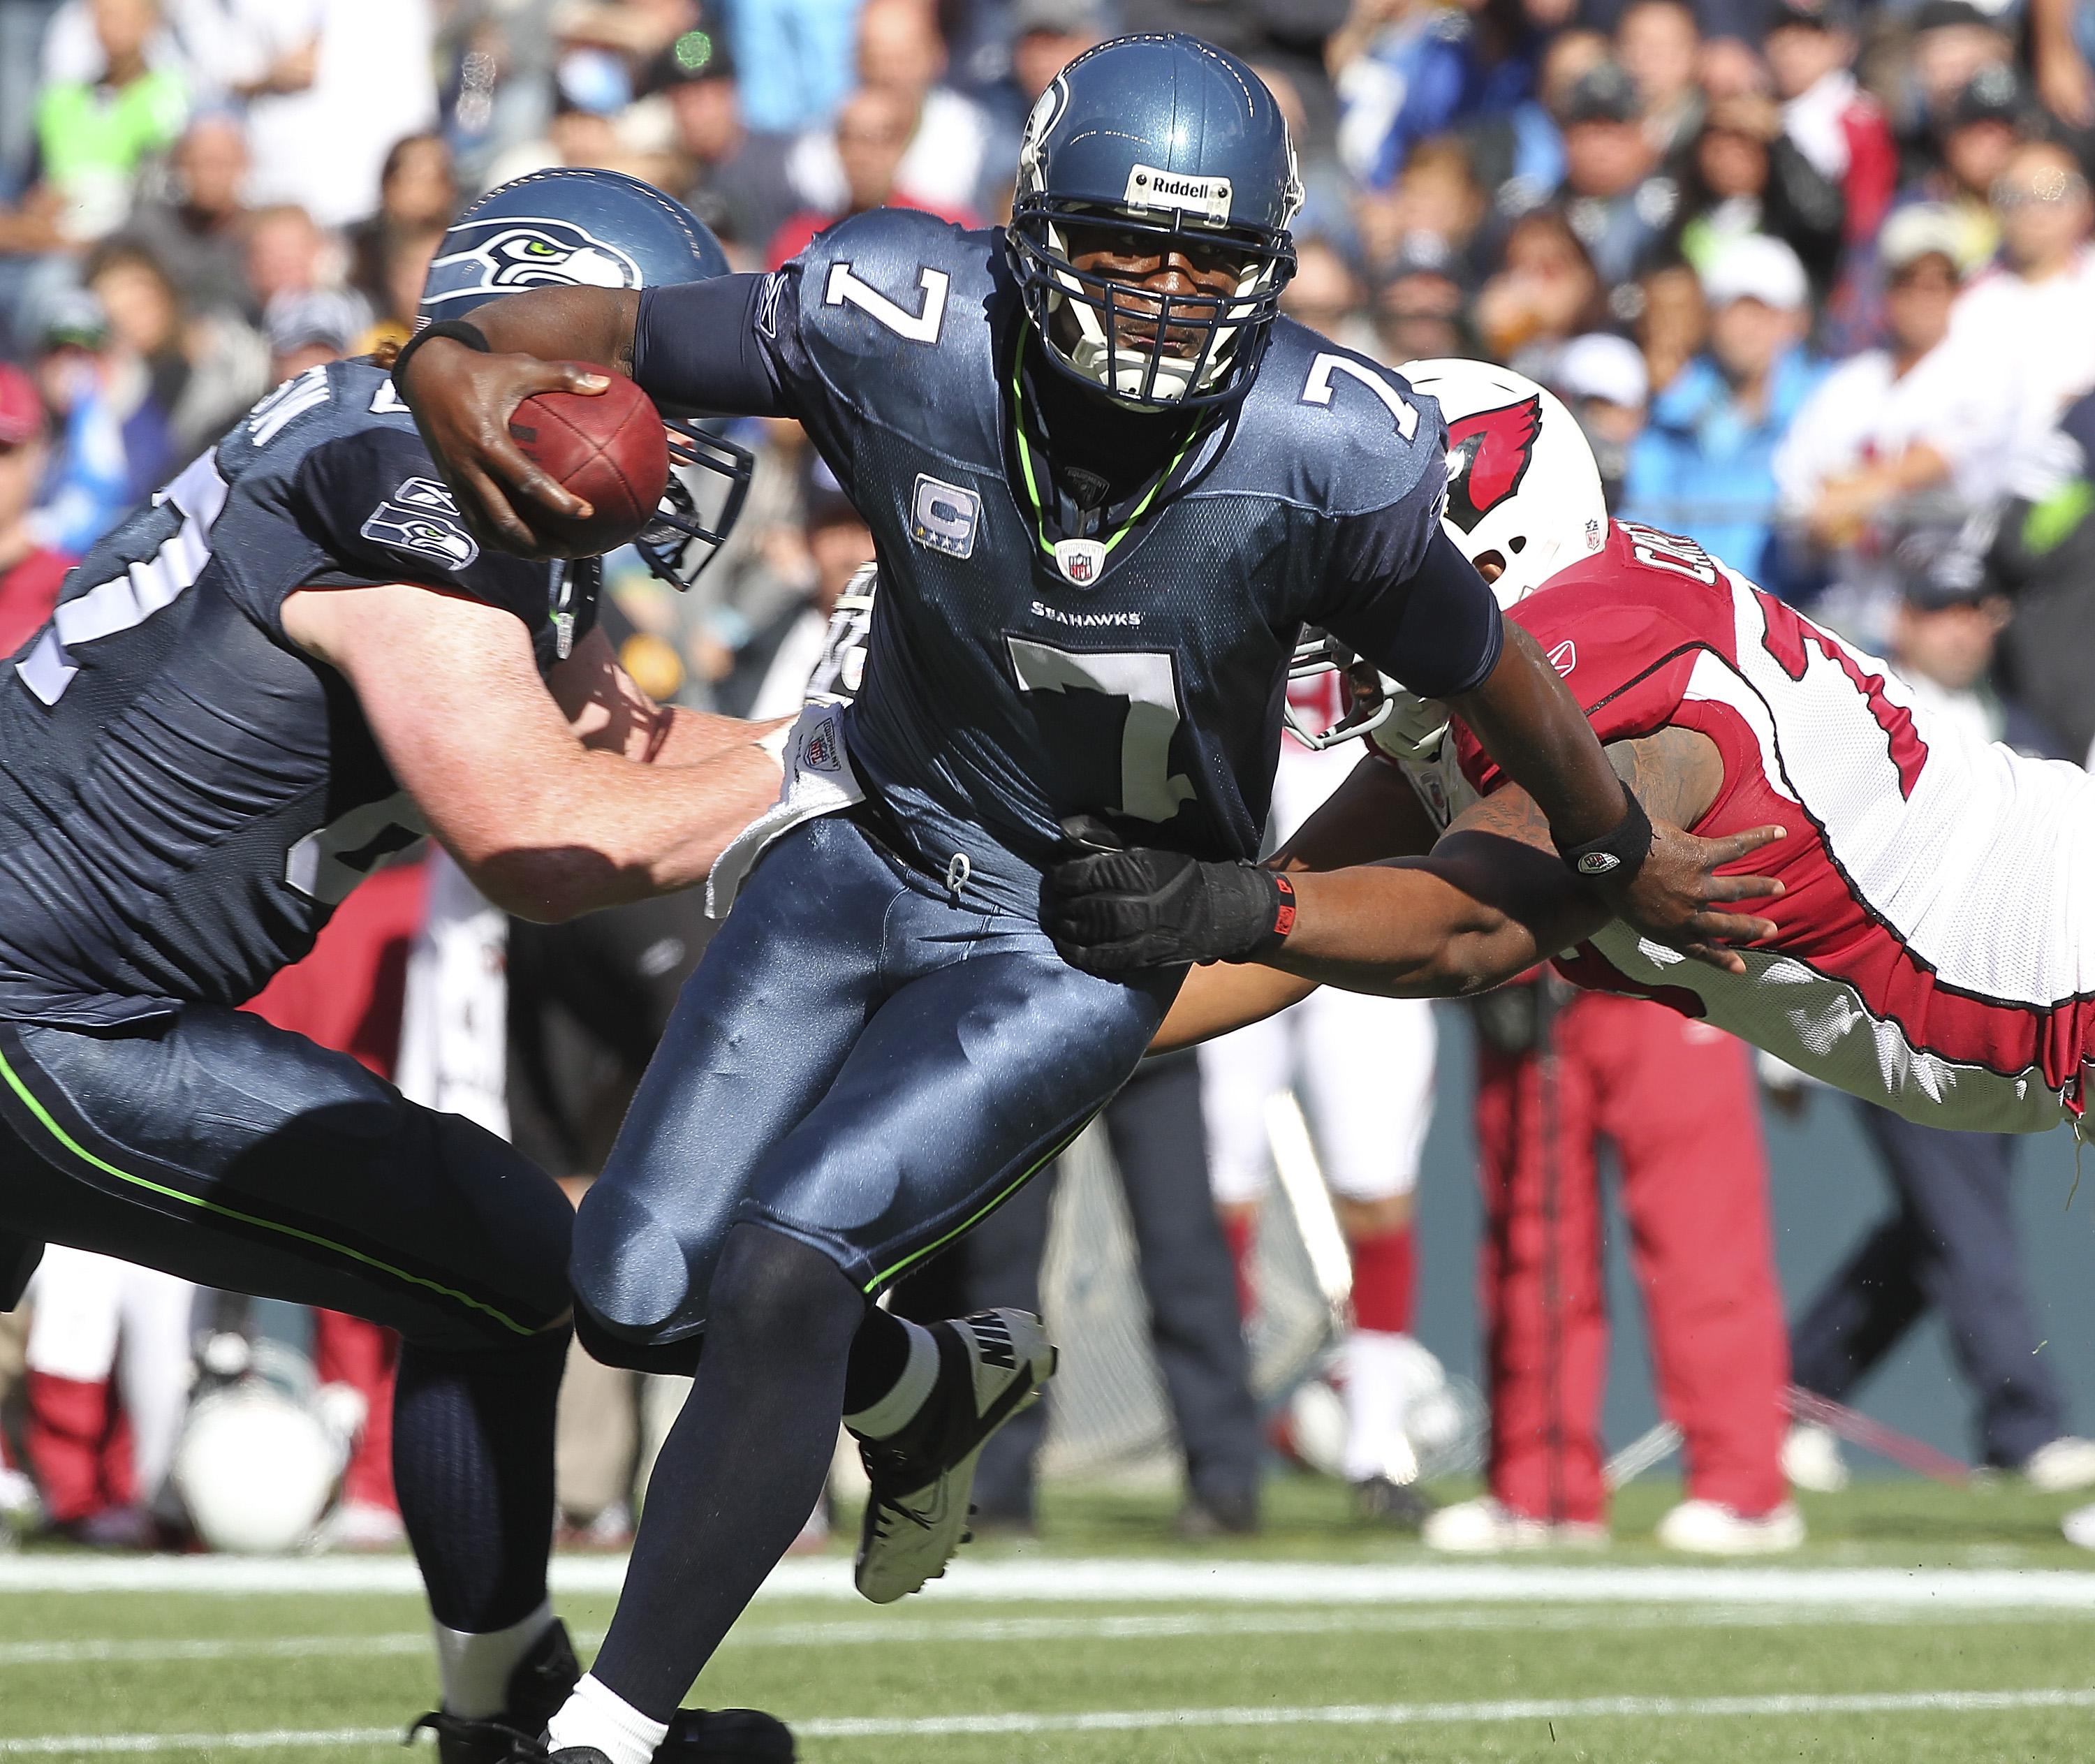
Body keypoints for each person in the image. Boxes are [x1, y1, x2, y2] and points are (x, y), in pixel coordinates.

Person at [393, 36, 1754, 1764]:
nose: (1169, 295)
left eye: (1209, 259)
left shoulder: (1319, 443)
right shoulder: (897, 312)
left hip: (1076, 927)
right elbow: (580, 334)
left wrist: (1614, 847)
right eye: (1126, 244)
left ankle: (611, 1728)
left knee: (788, 1265)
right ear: (1036, 225)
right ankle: (930, 1384)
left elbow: (1495, 676)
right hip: (863, 847)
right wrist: (448, 370)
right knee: (640, 1292)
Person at [0, 168, 787, 1762]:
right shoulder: (403, 492)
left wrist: (875, 749)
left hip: (75, 995)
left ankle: (501, 1693)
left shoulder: (414, 454)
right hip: (47, 1009)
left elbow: (604, 737)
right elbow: (541, 832)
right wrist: (829, 772)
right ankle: (503, 1707)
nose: (682, 428)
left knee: (494, 1256)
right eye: (657, 370)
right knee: (501, 1249)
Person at [1045, 355, 2095, 1145]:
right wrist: (1039, 1045)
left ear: (1486, 551)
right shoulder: (1506, 684)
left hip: (2063, 955)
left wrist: (1233, 907)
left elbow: (1475, 925)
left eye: (1350, 560)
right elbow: (1286, 928)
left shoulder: (1595, 662)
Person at [1781, 545, 2095, 1498]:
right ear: (1903, 617)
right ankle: (2025, 1425)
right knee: (1965, 1215)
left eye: (1977, 605)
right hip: (1892, 1000)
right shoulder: (1857, 712)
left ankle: (1790, 1392)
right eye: (1941, 604)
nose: (1964, 622)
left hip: (2015, 1008)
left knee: (1938, 1229)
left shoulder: (2027, 723)